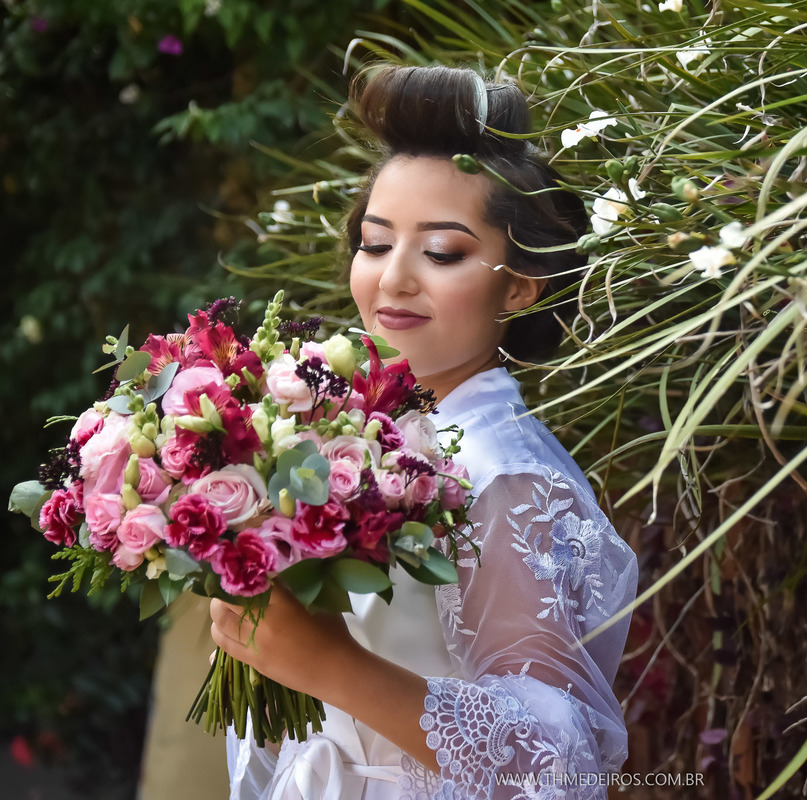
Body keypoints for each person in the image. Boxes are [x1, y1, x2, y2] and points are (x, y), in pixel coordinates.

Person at [208, 64, 638, 799]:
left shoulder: (502, 476)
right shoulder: (350, 431)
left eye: (441, 252)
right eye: (375, 244)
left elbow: (559, 759)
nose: (394, 279)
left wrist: (331, 666)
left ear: (520, 284)